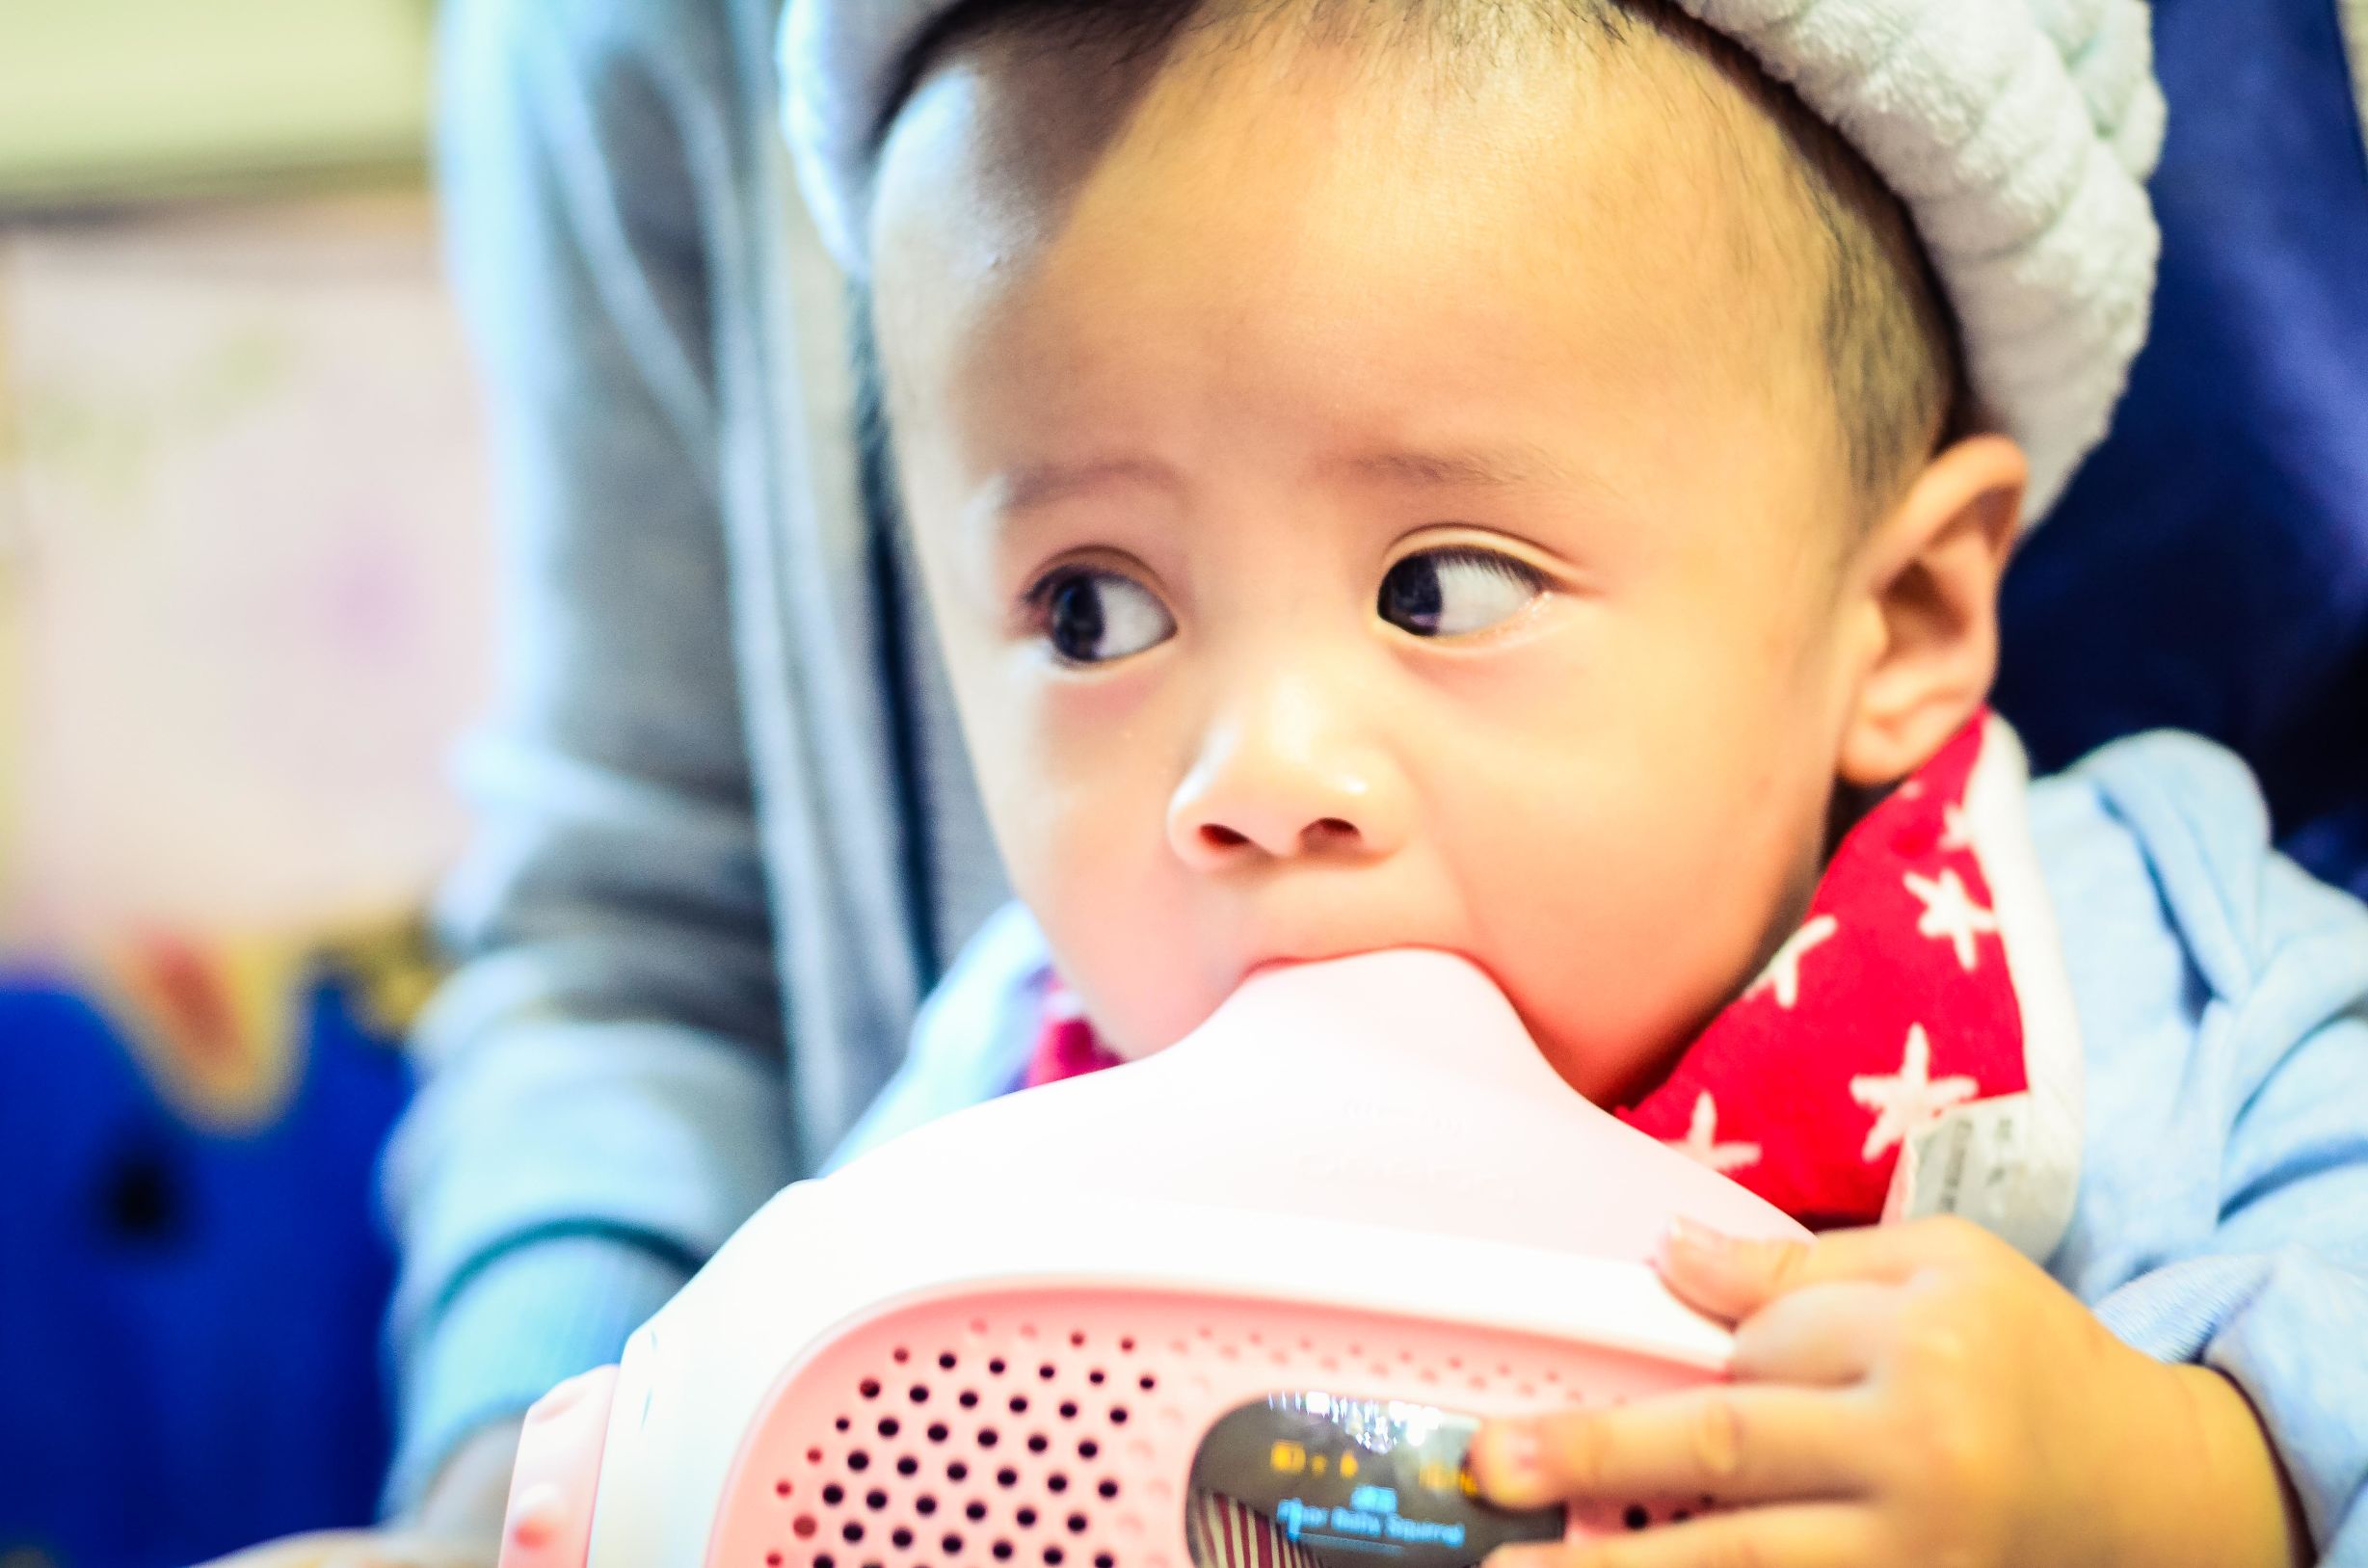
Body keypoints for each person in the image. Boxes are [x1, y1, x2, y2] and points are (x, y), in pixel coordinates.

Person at [210, 1, 2368, 1565]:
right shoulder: (989, 1103)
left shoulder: (2156, 1007)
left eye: (1438, 586)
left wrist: (2182, 1486)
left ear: (1891, 624)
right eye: (1088, 612)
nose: (1250, 780)